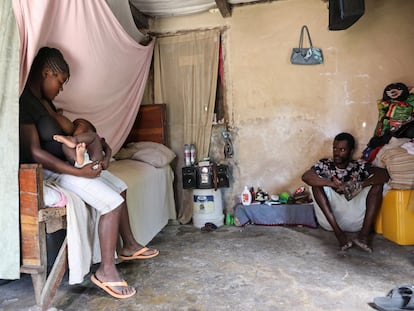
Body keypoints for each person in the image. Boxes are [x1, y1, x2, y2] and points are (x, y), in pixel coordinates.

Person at [19, 46, 159, 298]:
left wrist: (90, 151)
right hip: (51, 171)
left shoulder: (45, 103)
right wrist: (81, 173)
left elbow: (67, 132)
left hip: (69, 165)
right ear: (47, 72)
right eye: (59, 82)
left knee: (119, 186)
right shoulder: (24, 103)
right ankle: (106, 272)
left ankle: (128, 245)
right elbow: (35, 152)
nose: (60, 89)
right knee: (112, 204)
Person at [302, 132, 389, 253]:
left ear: (351, 151)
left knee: (377, 185)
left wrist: (360, 184)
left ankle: (363, 236)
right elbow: (306, 176)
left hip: (356, 219)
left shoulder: (359, 166)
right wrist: (331, 183)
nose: (337, 152)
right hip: (330, 221)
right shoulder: (325, 164)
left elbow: (384, 174)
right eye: (335, 148)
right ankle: (340, 235)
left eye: (342, 149)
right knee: (316, 185)